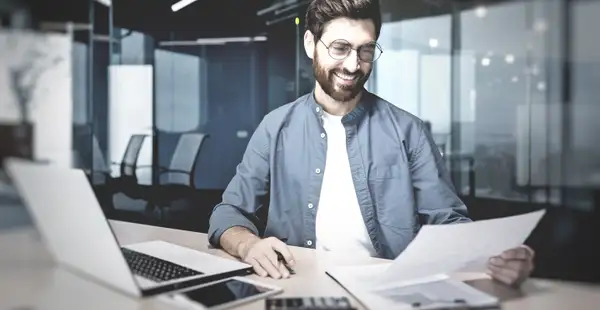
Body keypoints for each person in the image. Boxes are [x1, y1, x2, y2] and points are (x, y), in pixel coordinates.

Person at [208, 0, 534, 287]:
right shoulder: (275, 127)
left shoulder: (409, 131)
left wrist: (497, 256)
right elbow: (229, 213)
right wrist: (248, 244)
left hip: (388, 292)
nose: (353, 65)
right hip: (296, 284)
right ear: (310, 43)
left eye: (365, 50)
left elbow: (447, 223)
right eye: (340, 48)